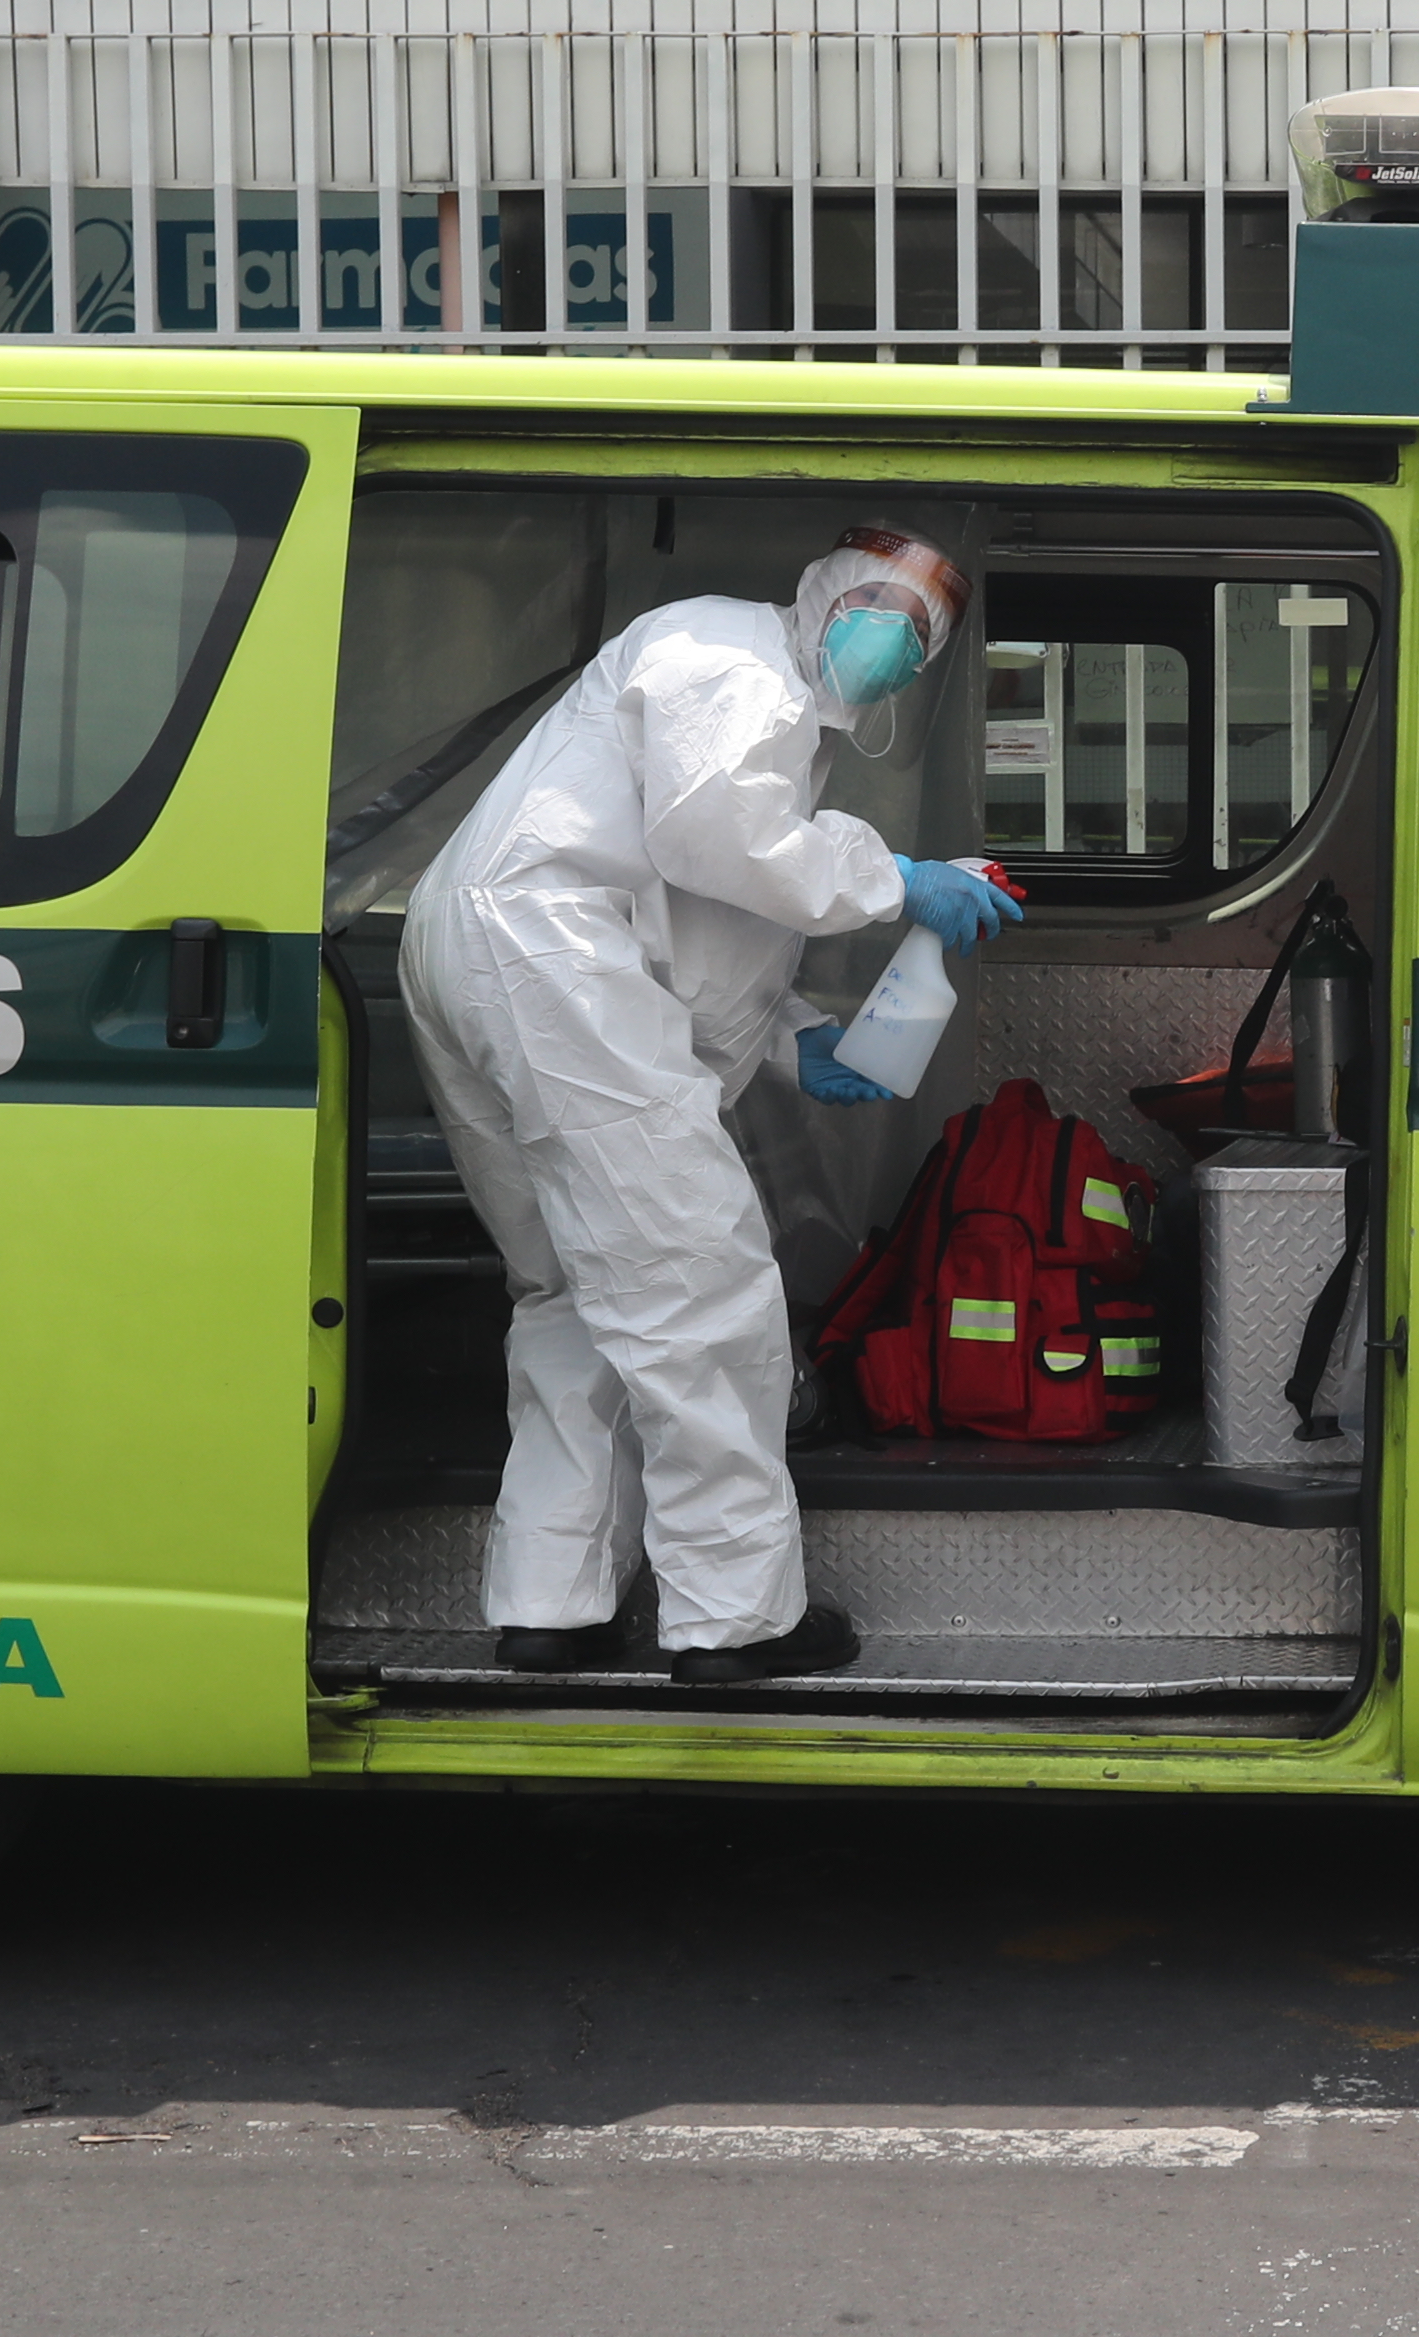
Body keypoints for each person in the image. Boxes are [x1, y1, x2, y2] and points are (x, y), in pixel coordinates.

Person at [401, 525, 1023, 1679]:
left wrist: (800, 1045)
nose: (895, 636)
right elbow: (716, 839)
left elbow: (707, 941)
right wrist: (901, 880)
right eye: (881, 603)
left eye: (921, 631)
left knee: (574, 1290)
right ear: (823, 589)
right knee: (703, 1286)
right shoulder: (729, 655)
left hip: (522, 961)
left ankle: (554, 1603)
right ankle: (739, 1620)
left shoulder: (768, 723)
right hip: (552, 957)